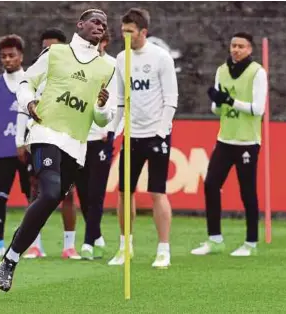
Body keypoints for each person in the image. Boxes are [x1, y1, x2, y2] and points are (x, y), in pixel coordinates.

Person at [0, 9, 115, 300]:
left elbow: (104, 118)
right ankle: (9, 262)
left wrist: (102, 107)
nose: (100, 26)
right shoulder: (56, 53)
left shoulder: (108, 67)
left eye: (104, 23)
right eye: (95, 21)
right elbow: (26, 82)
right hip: (45, 133)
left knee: (49, 202)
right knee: (50, 193)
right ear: (80, 25)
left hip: (76, 146)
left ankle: (5, 265)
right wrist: (28, 104)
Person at [107, 8, 178, 268]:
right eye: (123, 30)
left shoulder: (161, 58)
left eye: (130, 31)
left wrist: (161, 132)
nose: (125, 35)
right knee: (125, 192)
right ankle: (126, 246)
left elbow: (171, 100)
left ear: (143, 32)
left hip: (157, 135)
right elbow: (119, 101)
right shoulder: (121, 58)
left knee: (158, 192)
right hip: (132, 136)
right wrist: (113, 132)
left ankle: (163, 249)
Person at [191, 32, 267, 257]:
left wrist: (230, 100)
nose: (236, 50)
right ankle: (215, 240)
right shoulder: (221, 71)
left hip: (247, 142)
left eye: (241, 46)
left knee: (247, 192)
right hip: (225, 139)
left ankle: (250, 242)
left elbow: (258, 109)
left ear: (250, 50)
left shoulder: (257, 72)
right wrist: (216, 101)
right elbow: (217, 110)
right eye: (233, 45)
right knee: (211, 185)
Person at [17, 28, 81, 260]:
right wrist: (21, 140)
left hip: (67, 139)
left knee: (68, 192)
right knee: (37, 190)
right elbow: (23, 105)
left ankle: (69, 245)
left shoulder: (76, 75)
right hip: (41, 138)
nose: (48, 51)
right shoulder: (38, 71)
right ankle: (34, 244)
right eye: (45, 46)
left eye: (52, 46)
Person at [0, 34, 32, 257]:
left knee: (33, 197)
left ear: (21, 56)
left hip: (28, 150)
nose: (8, 60)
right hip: (2, 150)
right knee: (0, 196)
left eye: (12, 55)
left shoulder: (31, 81)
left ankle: (35, 244)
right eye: (4, 56)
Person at [77, 30, 117, 260]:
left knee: (96, 192)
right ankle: (98, 236)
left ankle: (88, 243)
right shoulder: (81, 64)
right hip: (81, 136)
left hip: (102, 136)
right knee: (83, 191)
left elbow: (119, 102)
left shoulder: (114, 65)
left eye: (98, 41)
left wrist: (110, 130)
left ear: (106, 43)